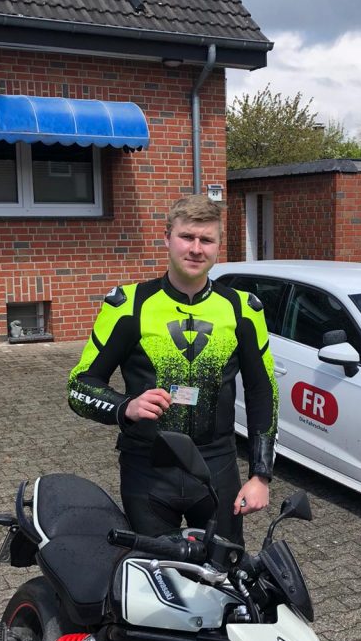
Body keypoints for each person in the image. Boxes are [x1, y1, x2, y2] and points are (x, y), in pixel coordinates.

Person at [67, 195, 278, 545]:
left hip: (217, 468)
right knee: (153, 572)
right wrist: (125, 407)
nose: (196, 248)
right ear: (167, 238)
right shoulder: (129, 305)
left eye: (206, 240)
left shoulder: (242, 309)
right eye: (187, 237)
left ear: (218, 246)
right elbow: (79, 386)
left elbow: (262, 390)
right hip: (147, 469)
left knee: (223, 571)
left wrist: (261, 475)